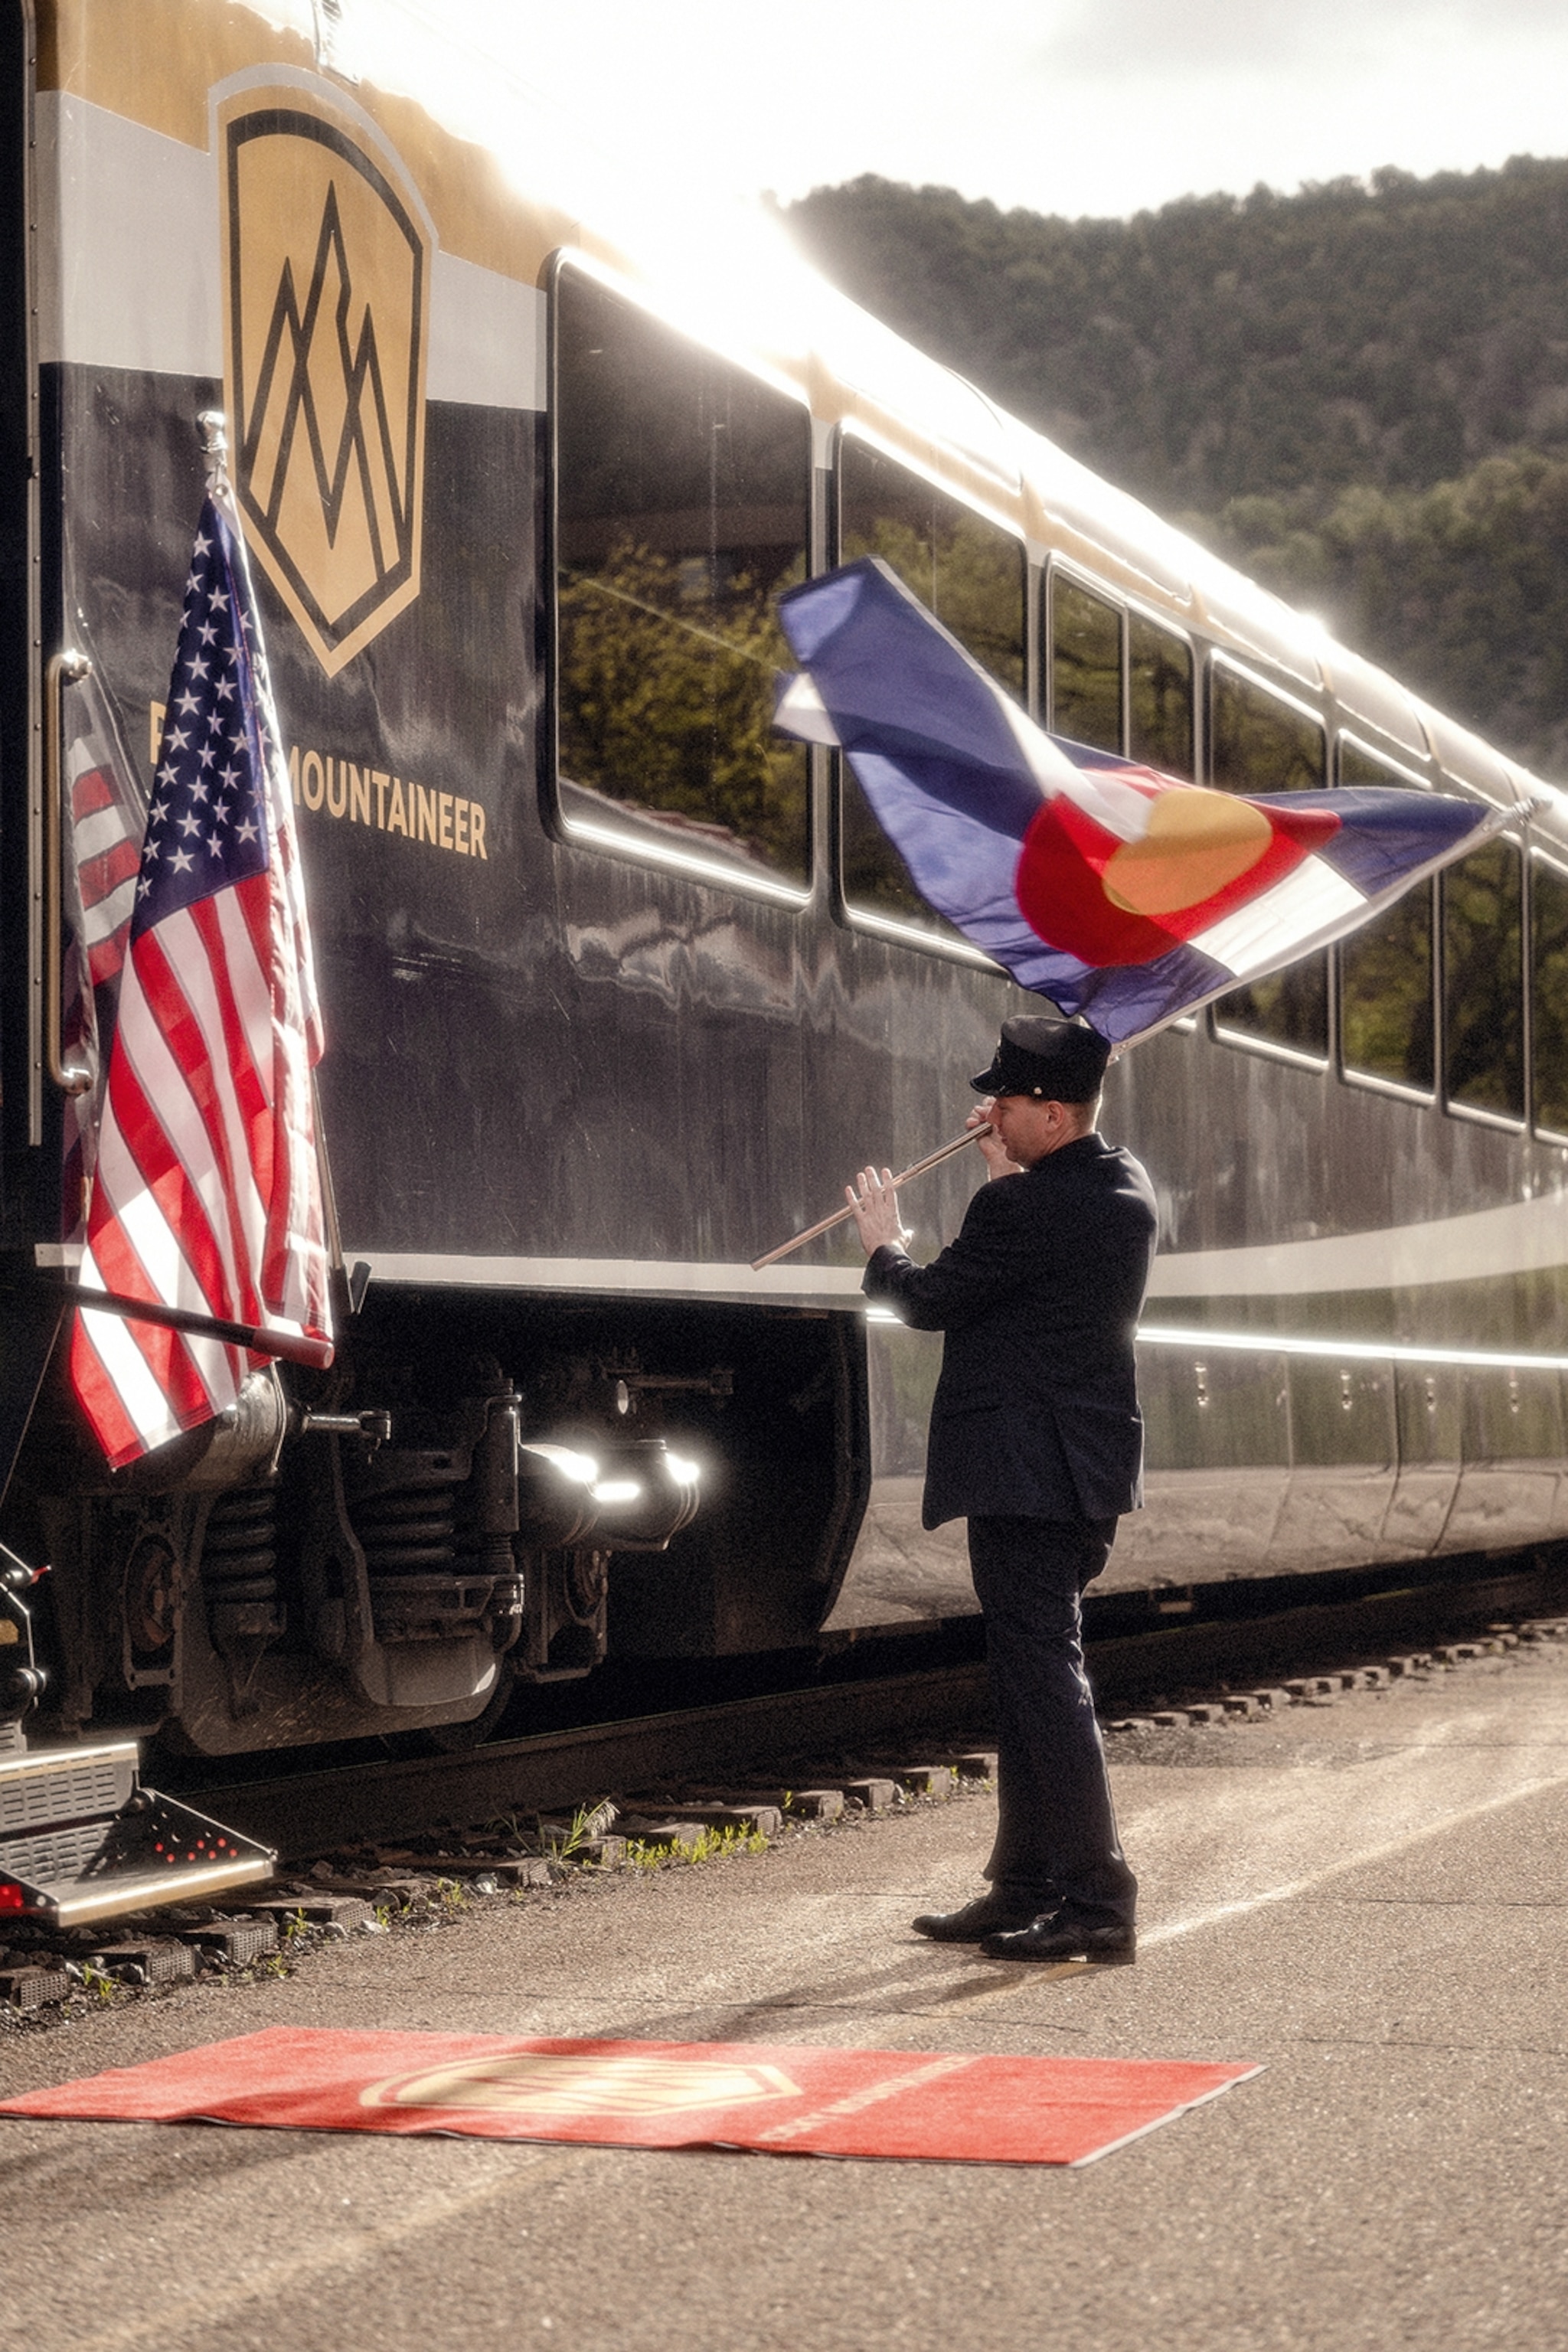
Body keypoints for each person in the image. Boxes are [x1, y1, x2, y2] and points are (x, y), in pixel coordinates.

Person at [844, 1014, 1158, 1965]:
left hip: (1020, 1475)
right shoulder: (1122, 1186)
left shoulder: (1021, 1209)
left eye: (1007, 1100)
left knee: (1044, 1680)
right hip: (1082, 1474)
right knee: (1031, 1677)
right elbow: (1038, 1273)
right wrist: (1002, 1180)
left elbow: (930, 1302)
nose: (987, 1111)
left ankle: (1096, 1901)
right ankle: (1023, 1882)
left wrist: (881, 1242)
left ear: (1052, 1116)